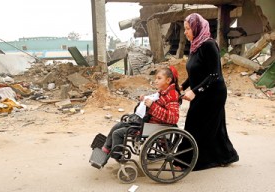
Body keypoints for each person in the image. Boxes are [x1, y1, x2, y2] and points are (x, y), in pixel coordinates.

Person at [180, 13, 239, 171]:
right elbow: (196, 72)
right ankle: (226, 156)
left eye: (188, 28)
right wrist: (183, 86)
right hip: (202, 91)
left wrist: (194, 91)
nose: (185, 32)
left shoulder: (209, 45)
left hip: (213, 94)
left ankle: (195, 160)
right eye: (185, 28)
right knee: (215, 126)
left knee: (196, 125)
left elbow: (214, 75)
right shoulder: (195, 46)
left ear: (197, 28)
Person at [102, 66, 181, 159]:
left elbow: (173, 118)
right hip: (145, 122)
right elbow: (154, 101)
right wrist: (145, 99)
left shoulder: (172, 95)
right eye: (156, 78)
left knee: (117, 133)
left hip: (150, 126)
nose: (155, 81)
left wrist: (152, 106)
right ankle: (106, 149)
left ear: (168, 80)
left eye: (159, 78)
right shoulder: (162, 92)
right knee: (118, 126)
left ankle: (116, 155)